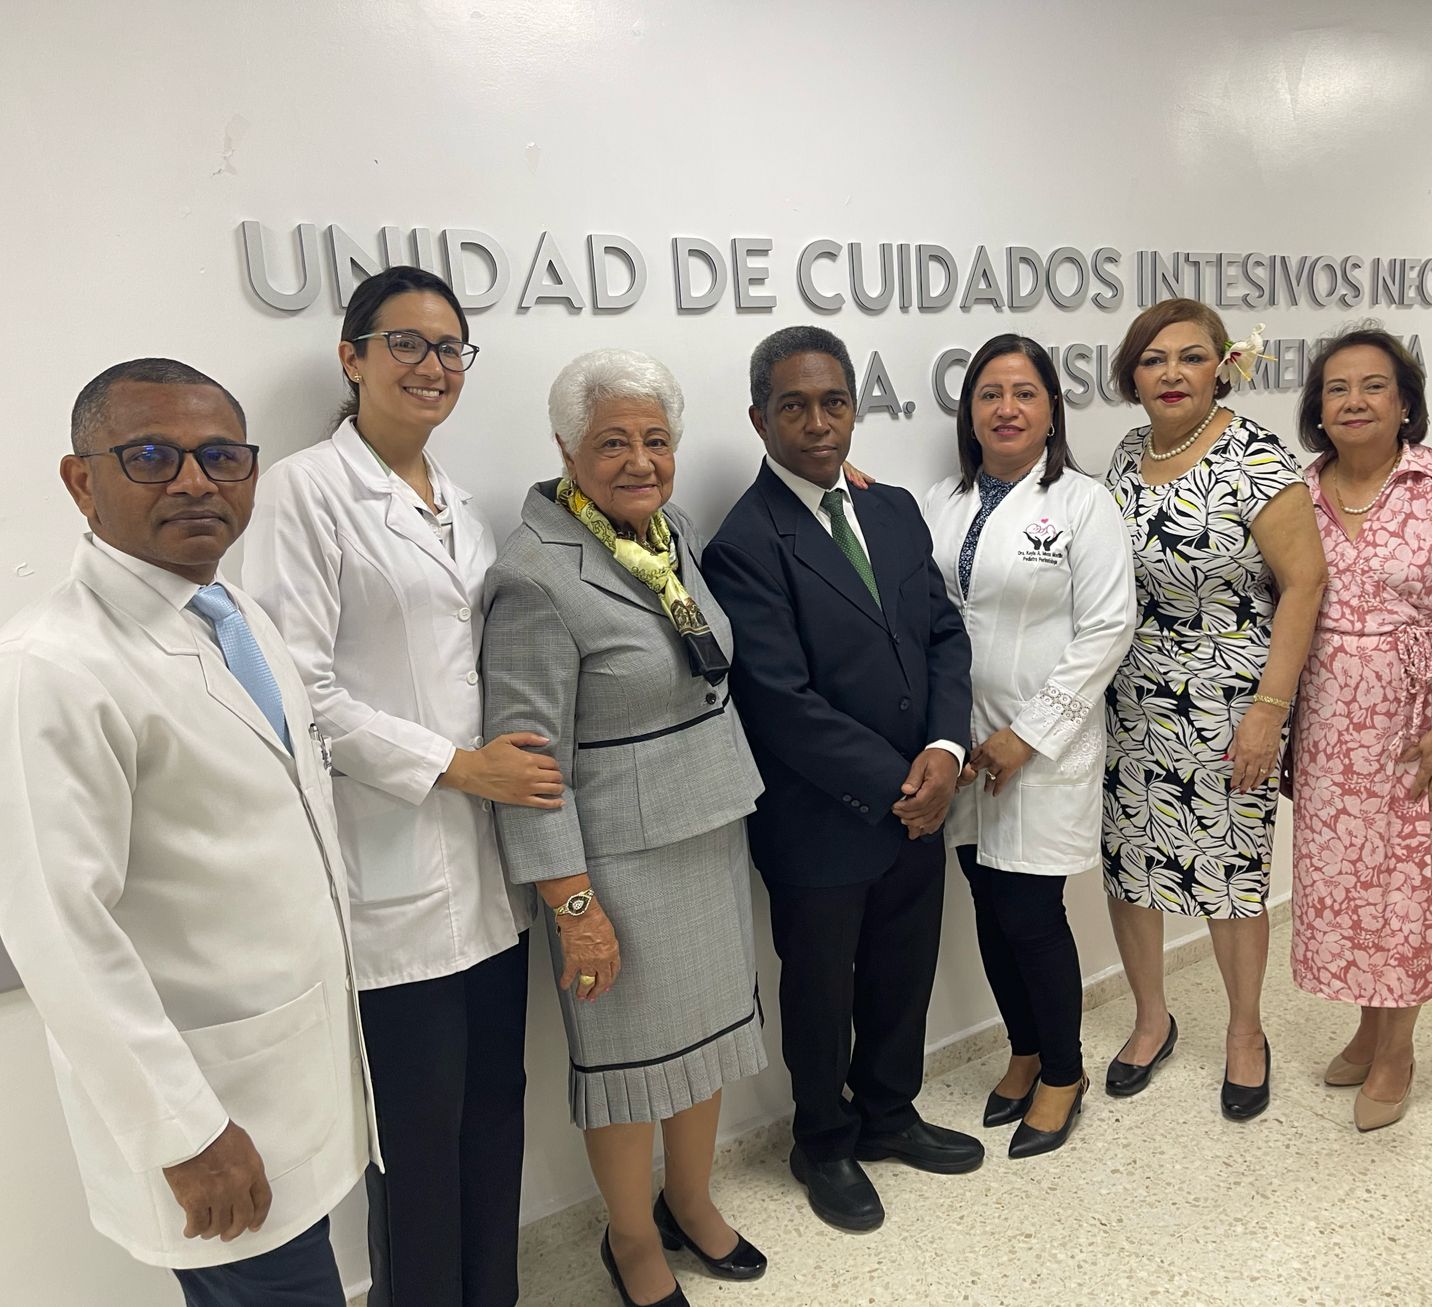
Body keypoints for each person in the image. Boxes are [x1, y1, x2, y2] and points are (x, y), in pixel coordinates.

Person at [0, 359, 376, 1305]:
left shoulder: (234, 614)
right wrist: (184, 1131)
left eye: (221, 456)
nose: (195, 481)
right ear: (81, 479)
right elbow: (60, 933)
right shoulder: (51, 667)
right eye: (152, 456)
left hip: (293, 1073)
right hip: (208, 1112)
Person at [241, 266, 561, 1307]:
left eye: (451, 348)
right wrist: (457, 765)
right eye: (408, 344)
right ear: (353, 356)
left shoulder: (462, 505)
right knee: (415, 1149)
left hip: (488, 879)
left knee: (495, 1119)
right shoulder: (304, 488)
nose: (433, 366)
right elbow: (297, 690)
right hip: (392, 883)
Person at [482, 349, 767, 1307]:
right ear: (566, 448)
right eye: (612, 442)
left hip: (710, 825)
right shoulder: (534, 574)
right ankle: (632, 1235)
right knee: (630, 1069)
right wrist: (571, 902)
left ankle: (690, 1199)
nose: (639, 460)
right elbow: (527, 766)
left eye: (655, 440)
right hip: (617, 866)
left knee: (709, 1042)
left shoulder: (668, 531)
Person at [703, 326, 981, 1235]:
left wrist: (943, 752)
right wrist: (904, 783)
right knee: (821, 991)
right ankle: (822, 1138)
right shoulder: (744, 542)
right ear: (759, 418)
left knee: (902, 972)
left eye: (833, 402)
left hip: (920, 799)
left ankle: (890, 1113)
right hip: (823, 818)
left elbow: (941, 633)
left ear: (854, 407)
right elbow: (778, 700)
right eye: (794, 406)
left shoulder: (894, 507)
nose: (818, 423)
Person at [1288, 326, 1432, 1132]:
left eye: (1372, 386)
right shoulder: (1300, 492)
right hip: (1328, 728)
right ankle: (1365, 1022)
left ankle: (1398, 1051)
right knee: (1349, 885)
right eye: (1336, 388)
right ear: (1317, 408)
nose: (1352, 401)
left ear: (1404, 402)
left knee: (1409, 884)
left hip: (1424, 720)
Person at [1100, 299, 1327, 1120]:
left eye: (1188, 357)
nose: (1169, 374)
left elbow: (1304, 583)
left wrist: (1271, 708)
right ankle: (1152, 1019)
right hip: (1132, 693)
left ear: (1219, 367)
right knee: (1130, 862)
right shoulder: (1126, 453)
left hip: (1232, 691)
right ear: (1132, 374)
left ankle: (1243, 1031)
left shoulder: (1252, 454)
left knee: (1231, 874)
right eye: (1152, 359)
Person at [921, 334, 1136, 1159]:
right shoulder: (939, 499)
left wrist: (1029, 734)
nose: (1005, 408)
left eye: (1023, 393)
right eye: (988, 394)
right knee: (986, 899)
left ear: (1051, 409)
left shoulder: (1083, 503)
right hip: (961, 745)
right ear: (968, 412)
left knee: (1029, 911)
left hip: (1042, 748)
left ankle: (1063, 1072)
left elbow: (1106, 628)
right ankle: (1023, 1048)